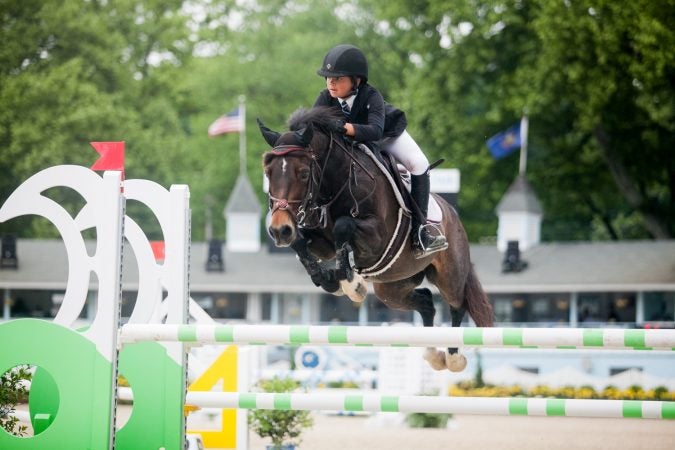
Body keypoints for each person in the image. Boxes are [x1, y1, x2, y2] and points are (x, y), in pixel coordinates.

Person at [313, 44, 448, 258]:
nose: (331, 82)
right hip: (353, 144)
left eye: (337, 78)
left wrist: (344, 127)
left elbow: (375, 131)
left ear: (356, 81)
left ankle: (420, 231)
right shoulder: (325, 98)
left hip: (387, 136)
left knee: (419, 163)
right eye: (328, 77)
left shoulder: (371, 95)